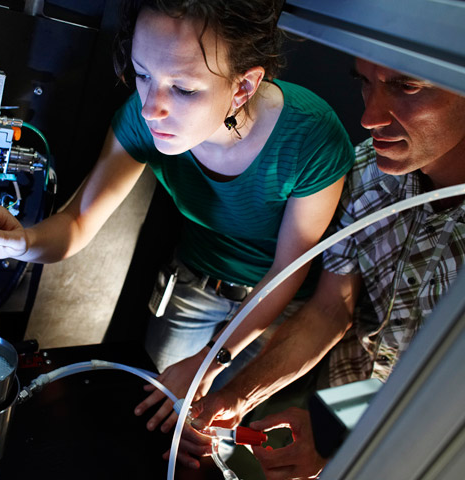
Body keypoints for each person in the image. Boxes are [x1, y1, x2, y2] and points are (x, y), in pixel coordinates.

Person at [0, 0, 354, 448]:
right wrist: (19, 240)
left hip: (277, 309)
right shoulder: (143, 118)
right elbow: (76, 223)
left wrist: (210, 361)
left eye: (183, 89)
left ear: (244, 86)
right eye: (143, 75)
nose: (151, 109)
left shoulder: (312, 136)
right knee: (160, 431)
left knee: (216, 442)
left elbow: (288, 268)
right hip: (193, 285)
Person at [188, 58, 465, 477]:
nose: (370, 117)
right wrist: (239, 396)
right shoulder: (367, 172)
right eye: (365, 84)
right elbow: (330, 308)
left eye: (407, 87)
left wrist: (352, 435)